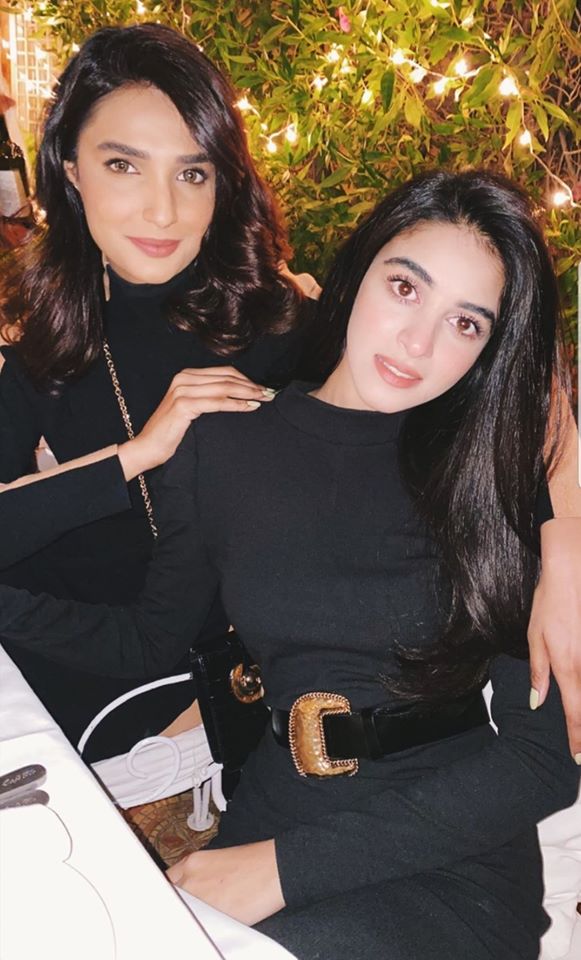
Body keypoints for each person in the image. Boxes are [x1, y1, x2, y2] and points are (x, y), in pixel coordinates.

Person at [1, 170, 579, 959]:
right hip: (277, 806)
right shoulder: (225, 444)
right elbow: (148, 640)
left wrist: (281, 871)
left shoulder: (492, 475)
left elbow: (540, 761)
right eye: (404, 287)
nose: (417, 344)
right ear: (359, 268)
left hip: (448, 850)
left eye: (464, 323)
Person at [0, 23, 318, 760]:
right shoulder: (59, 327)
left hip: (168, 664)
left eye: (192, 173)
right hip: (79, 622)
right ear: (71, 169)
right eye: (123, 165)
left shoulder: (278, 322)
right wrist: (137, 453)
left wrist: (567, 553)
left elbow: (501, 377)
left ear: (222, 182)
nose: (163, 212)